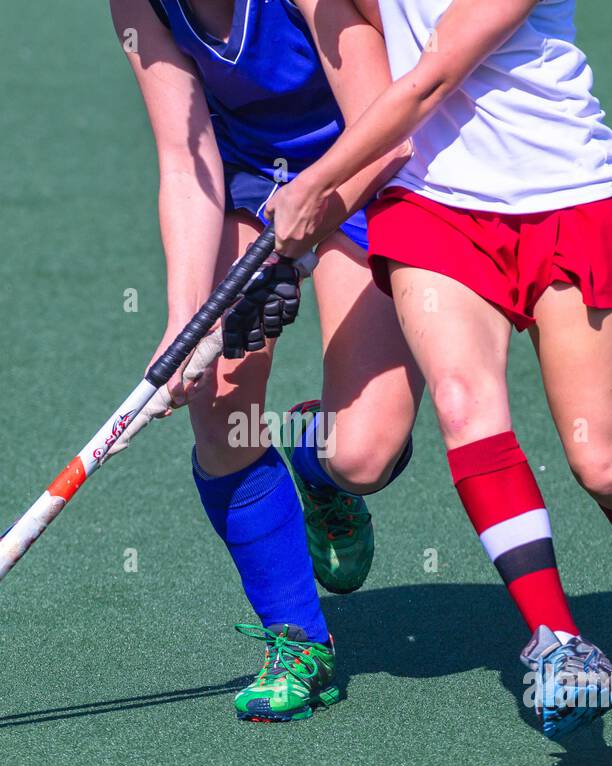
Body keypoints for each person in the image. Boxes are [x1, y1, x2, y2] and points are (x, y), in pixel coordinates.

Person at [268, 0, 612, 737]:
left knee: (605, 465)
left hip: (569, 201)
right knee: (463, 402)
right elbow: (362, 74)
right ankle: (557, 641)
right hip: (431, 207)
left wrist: (310, 190)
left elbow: (434, 74)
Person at [110, 0, 423, 720]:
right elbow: (183, 160)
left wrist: (297, 235)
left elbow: (389, 132)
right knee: (217, 405)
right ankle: (298, 642)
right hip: (255, 179)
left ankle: (319, 467)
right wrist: (184, 322)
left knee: (364, 455)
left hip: (369, 169)